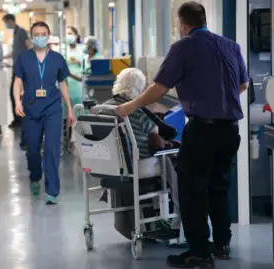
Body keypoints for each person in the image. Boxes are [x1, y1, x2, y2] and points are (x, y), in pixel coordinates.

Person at [115, 2, 248, 268]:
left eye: (177, 24)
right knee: (219, 187)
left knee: (191, 190)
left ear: (183, 24)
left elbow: (159, 88)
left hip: (203, 130)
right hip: (230, 129)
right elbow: (242, 84)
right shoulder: (231, 46)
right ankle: (222, 244)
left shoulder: (183, 47)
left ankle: (199, 251)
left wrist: (131, 105)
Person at [99, 68, 181, 240]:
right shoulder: (136, 111)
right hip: (137, 164)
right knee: (172, 158)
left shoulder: (104, 108)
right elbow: (155, 135)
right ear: (140, 89)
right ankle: (175, 217)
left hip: (111, 164)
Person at [13, 21, 74, 204]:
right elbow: (17, 81)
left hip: (53, 107)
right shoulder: (23, 58)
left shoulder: (57, 59)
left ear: (48, 36)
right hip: (31, 107)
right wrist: (17, 101)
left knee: (52, 149)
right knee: (32, 149)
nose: (40, 37)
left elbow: (62, 84)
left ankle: (52, 191)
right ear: (32, 37)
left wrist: (69, 108)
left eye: (43, 34)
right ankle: (35, 176)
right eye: (36, 34)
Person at [3, 13, 30, 148]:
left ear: (10, 20)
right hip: (17, 68)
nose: (6, 25)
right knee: (13, 95)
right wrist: (3, 57)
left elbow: (28, 46)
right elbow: (15, 51)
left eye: (6, 22)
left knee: (19, 95)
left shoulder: (22, 32)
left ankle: (20, 119)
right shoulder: (15, 33)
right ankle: (17, 119)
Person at [64, 26, 86, 113]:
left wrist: (78, 62)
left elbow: (87, 64)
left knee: (78, 106)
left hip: (78, 81)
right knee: (67, 106)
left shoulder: (83, 48)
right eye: (66, 34)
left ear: (76, 36)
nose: (67, 36)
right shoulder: (63, 49)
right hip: (66, 81)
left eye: (70, 33)